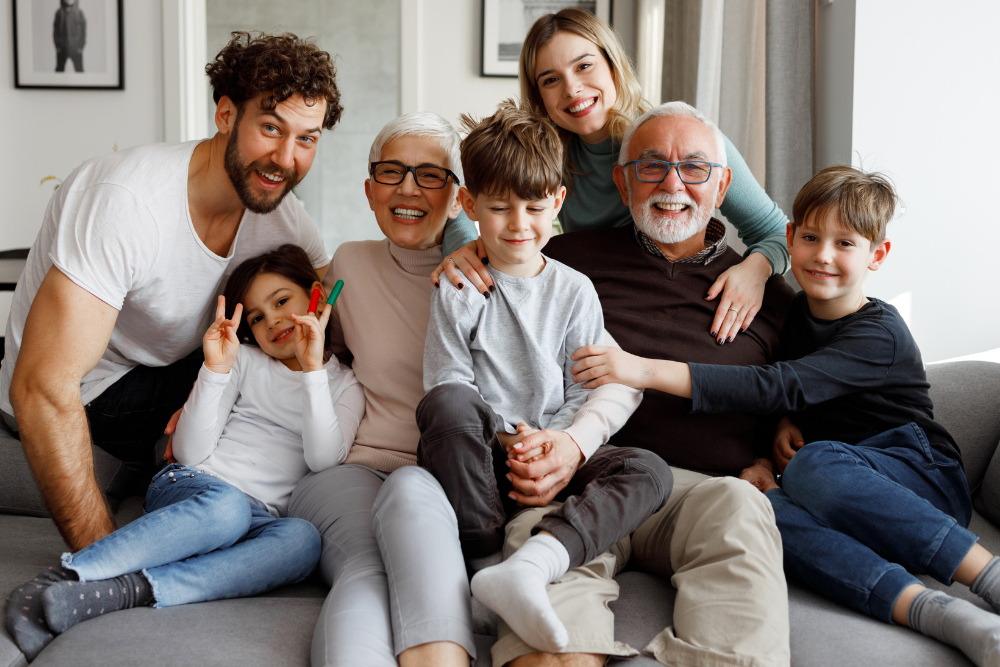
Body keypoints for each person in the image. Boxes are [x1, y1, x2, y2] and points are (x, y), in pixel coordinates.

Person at [572, 165, 1000, 667]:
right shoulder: (792, 313)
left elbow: (779, 385)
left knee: (813, 465)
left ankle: (988, 577)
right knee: (758, 509)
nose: (823, 256)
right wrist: (765, 445)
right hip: (833, 495)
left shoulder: (879, 332)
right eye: (812, 238)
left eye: (845, 244)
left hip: (918, 480)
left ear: (877, 255)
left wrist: (645, 370)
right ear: (790, 239)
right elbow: (780, 390)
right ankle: (934, 612)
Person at [287, 111, 641, 667]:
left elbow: (607, 378)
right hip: (368, 462)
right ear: (369, 188)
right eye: (391, 172)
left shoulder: (491, 270)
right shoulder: (346, 265)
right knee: (367, 567)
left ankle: (490, 579)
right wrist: (215, 382)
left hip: (455, 474)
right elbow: (294, 336)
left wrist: (564, 441)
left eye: (430, 175)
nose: (408, 188)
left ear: (457, 197)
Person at [2, 32, 341, 552]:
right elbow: (42, 389)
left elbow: (341, 305)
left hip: (169, 369)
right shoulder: (128, 201)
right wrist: (105, 558)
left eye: (307, 139)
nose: (284, 158)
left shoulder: (282, 219)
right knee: (247, 367)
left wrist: (463, 253)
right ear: (225, 115)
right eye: (270, 128)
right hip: (97, 388)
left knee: (288, 352)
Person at [490, 101, 795, 667]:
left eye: (695, 168)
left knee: (740, 507)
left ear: (723, 184)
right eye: (651, 166)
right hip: (581, 475)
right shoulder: (560, 261)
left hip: (702, 493)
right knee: (551, 625)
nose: (672, 183)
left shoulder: (768, 294)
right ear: (622, 182)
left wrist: (777, 438)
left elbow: (797, 384)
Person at [7, 245, 364, 662]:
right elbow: (191, 453)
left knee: (302, 540)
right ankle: (63, 577)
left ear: (317, 296)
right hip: (196, 486)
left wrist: (313, 371)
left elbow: (323, 459)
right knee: (226, 508)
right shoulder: (244, 361)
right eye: (257, 317)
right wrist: (214, 369)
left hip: (260, 515)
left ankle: (128, 590)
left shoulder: (344, 385)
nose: (273, 321)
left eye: (282, 301)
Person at [416, 102, 670, 654]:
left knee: (648, 470)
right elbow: (448, 380)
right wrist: (510, 437)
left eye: (534, 207)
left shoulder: (574, 289)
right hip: (483, 461)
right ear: (470, 206)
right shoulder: (459, 286)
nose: (518, 224)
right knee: (447, 407)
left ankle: (536, 560)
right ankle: (484, 565)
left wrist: (554, 442)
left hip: (554, 454)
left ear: (557, 202)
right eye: (500, 208)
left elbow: (585, 385)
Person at [435, 7, 789, 346]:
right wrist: (463, 245)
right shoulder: (548, 155)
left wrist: (755, 270)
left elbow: (777, 230)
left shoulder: (679, 141)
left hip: (679, 291)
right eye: (551, 79)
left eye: (584, 66)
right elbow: (460, 197)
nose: (572, 89)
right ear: (540, 96)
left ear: (613, 65)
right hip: (602, 301)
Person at [53, 0, 86, 73]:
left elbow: (83, 32)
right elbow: (55, 31)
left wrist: (80, 46)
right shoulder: (59, 13)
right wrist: (58, 46)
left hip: (76, 49)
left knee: (80, 71)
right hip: (62, 48)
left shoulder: (79, 13)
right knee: (59, 71)